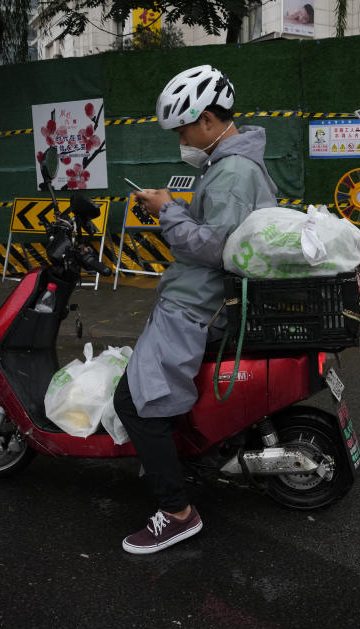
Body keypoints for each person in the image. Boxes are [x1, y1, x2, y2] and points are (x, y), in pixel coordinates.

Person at [112, 65, 278, 554]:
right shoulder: (230, 165)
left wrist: (167, 210)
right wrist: (174, 208)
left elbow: (214, 248)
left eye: (182, 128)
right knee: (147, 398)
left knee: (135, 403)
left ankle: (177, 512)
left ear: (207, 119)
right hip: (196, 300)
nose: (180, 138)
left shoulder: (230, 172)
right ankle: (183, 465)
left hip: (195, 306)